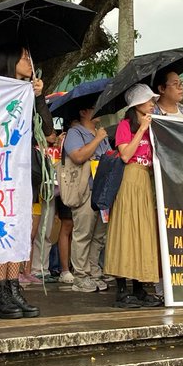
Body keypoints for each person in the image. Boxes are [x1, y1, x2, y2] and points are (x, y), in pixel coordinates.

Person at [0, 45, 48, 319]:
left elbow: (48, 131)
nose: (29, 61)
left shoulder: (29, 93)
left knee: (17, 230)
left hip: (22, 174)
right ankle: (1, 293)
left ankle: (13, 288)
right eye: (24, 56)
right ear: (9, 59)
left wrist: (39, 96)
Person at [105, 84, 163, 308]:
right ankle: (122, 290)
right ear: (136, 104)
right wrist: (141, 130)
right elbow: (126, 155)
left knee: (143, 234)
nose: (152, 103)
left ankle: (139, 289)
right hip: (129, 181)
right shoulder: (125, 126)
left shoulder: (153, 126)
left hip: (145, 182)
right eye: (148, 100)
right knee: (126, 231)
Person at [61, 102, 111, 293]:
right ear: (83, 111)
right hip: (84, 190)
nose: (99, 110)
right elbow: (78, 156)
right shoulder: (76, 133)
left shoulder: (101, 133)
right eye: (94, 107)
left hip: (101, 190)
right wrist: (97, 139)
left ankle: (94, 272)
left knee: (98, 235)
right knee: (83, 233)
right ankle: (80, 276)